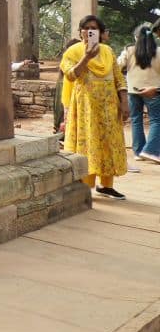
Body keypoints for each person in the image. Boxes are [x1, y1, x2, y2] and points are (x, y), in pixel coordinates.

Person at [61, 15, 130, 199]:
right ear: (80, 31)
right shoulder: (73, 52)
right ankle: (85, 185)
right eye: (86, 28)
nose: (90, 31)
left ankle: (106, 185)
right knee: (88, 143)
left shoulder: (108, 51)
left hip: (109, 106)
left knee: (109, 143)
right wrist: (86, 57)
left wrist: (124, 102)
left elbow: (118, 77)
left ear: (100, 33)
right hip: (86, 107)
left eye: (94, 28)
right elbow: (70, 75)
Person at [125, 24, 160, 163]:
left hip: (133, 90)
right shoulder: (158, 51)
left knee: (136, 120)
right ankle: (150, 151)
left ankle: (138, 152)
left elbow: (118, 64)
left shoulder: (129, 50)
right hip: (153, 91)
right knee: (156, 120)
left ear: (136, 37)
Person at [53, 38, 79, 133]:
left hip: (65, 84)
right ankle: (61, 131)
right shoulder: (69, 58)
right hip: (66, 85)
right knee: (62, 109)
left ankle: (60, 130)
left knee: (61, 109)